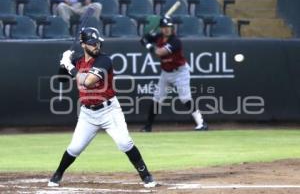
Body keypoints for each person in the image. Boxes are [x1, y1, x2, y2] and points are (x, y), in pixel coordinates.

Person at [48, 27, 157, 188]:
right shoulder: (77, 61)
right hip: (87, 113)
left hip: (109, 110)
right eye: (92, 43)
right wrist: (64, 62)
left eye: (98, 43)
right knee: (75, 147)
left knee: (124, 143)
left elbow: (88, 81)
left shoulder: (104, 60)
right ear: (83, 44)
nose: (96, 46)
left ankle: (146, 175)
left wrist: (69, 67)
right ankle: (57, 175)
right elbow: (62, 79)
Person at [140, 16, 208, 132]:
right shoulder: (158, 37)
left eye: (169, 27)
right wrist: (146, 37)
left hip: (180, 72)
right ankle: (148, 127)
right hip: (166, 72)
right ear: (161, 28)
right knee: (157, 99)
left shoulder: (175, 41)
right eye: (164, 27)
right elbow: (143, 40)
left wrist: (148, 45)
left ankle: (201, 123)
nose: (167, 29)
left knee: (185, 98)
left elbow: (160, 52)